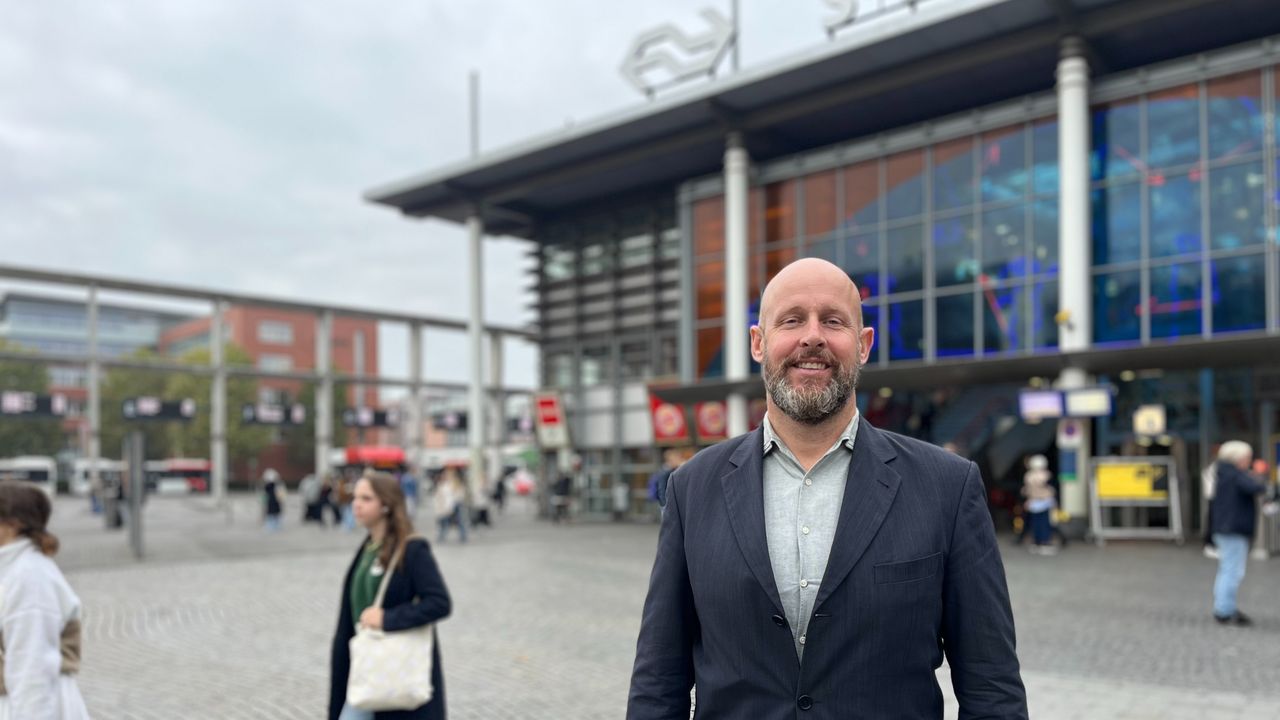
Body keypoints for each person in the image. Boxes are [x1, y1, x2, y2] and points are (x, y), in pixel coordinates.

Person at [628, 258, 1026, 719]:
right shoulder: (692, 488)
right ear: (759, 343)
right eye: (791, 320)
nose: (812, 336)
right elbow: (659, 679)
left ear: (863, 345)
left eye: (833, 321)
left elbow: (991, 686)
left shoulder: (947, 487)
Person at [328, 472, 450, 720]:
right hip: (363, 668)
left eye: (366, 498)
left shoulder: (413, 549)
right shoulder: (367, 548)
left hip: (396, 672)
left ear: (386, 505)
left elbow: (439, 602)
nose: (356, 504)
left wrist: (388, 618)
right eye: (355, 497)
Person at [0, 481, 92, 719]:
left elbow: (32, 667)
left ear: (12, 524)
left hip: (30, 707)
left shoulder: (29, 577)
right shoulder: (15, 570)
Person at [1208, 440, 1266, 626]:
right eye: (1247, 458)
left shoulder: (1223, 473)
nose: (1249, 461)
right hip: (1233, 529)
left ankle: (1224, 607)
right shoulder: (1235, 475)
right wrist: (1259, 473)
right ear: (1238, 458)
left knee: (1227, 569)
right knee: (1232, 570)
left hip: (1225, 527)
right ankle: (1225, 610)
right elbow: (1256, 487)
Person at [1022, 455, 1057, 555]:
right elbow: (1051, 487)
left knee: (1036, 524)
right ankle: (1044, 543)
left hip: (1033, 503)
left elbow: (1026, 490)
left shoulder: (1028, 476)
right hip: (1044, 502)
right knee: (1044, 524)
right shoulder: (1046, 475)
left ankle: (1036, 543)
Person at [432, 470, 467, 544]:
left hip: (456, 505)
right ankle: (442, 536)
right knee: (444, 522)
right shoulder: (443, 484)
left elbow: (460, 495)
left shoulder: (456, 484)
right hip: (446, 506)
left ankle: (463, 535)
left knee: (459, 521)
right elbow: (439, 496)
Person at [262, 468, 284, 533]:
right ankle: (274, 525)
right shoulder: (277, 486)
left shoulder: (268, 487)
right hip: (274, 503)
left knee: (272, 515)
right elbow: (281, 496)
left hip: (272, 503)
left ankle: (272, 526)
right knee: (274, 515)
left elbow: (264, 496)